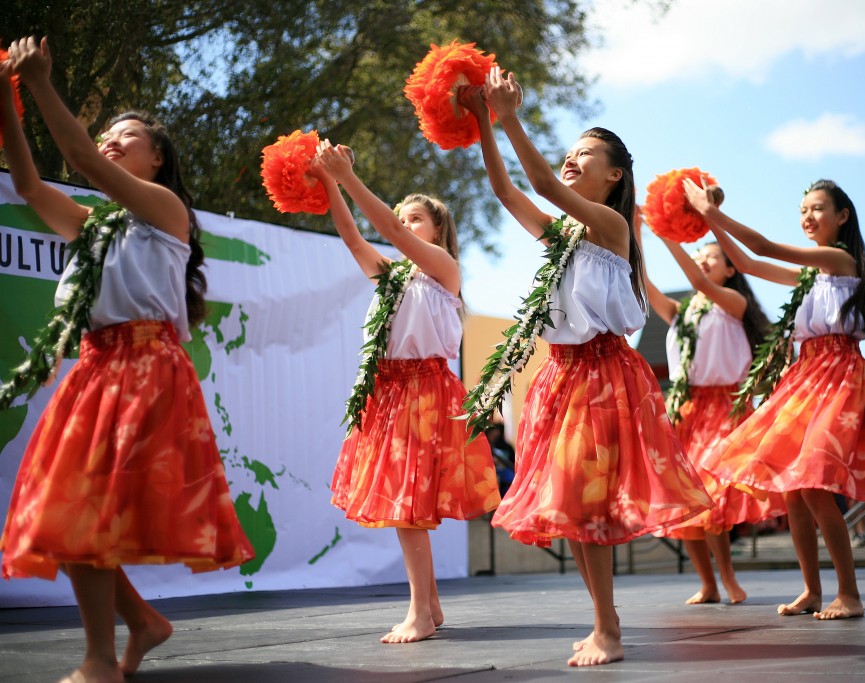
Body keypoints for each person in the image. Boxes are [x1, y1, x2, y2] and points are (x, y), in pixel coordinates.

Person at [0, 37, 254, 683]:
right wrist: (7, 96)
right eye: (109, 132)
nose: (112, 140)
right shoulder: (94, 225)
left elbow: (80, 156)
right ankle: (138, 626)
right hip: (93, 371)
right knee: (67, 514)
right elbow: (28, 182)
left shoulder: (167, 212)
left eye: (127, 135)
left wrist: (41, 83)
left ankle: (100, 658)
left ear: (157, 158)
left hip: (143, 370)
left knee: (82, 513)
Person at [460, 69, 712, 666]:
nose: (572, 160)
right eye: (570, 153)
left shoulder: (611, 226)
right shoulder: (566, 235)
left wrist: (508, 115)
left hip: (601, 375)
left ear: (615, 174)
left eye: (586, 154)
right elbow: (508, 191)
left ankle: (609, 628)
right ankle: (606, 620)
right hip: (560, 375)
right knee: (570, 506)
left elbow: (542, 182)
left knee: (586, 503)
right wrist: (482, 123)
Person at [682, 177, 865, 619]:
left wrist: (710, 212)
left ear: (842, 216)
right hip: (805, 376)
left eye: (818, 208)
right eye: (803, 209)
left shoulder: (840, 259)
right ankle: (811, 590)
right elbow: (747, 262)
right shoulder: (809, 276)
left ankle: (849, 593)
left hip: (839, 374)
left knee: (816, 485)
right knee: (794, 491)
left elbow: (764, 247)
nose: (807, 216)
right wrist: (709, 223)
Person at [310, 141, 500, 644]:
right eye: (403, 218)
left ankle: (418, 611)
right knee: (404, 501)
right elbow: (355, 238)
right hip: (391, 393)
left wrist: (348, 174)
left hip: (426, 392)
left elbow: (387, 232)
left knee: (407, 503)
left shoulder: (442, 271)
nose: (403, 224)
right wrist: (329, 181)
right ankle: (430, 605)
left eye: (415, 218)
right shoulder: (392, 279)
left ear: (437, 231)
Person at [636, 204, 785, 605]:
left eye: (710, 256)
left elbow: (699, 283)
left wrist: (664, 231)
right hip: (688, 409)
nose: (702, 261)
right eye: (698, 256)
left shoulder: (733, 305)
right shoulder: (683, 314)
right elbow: (645, 285)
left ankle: (730, 579)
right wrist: (637, 232)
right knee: (684, 498)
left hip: (727, 408)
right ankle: (707, 582)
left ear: (731, 269)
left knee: (712, 496)